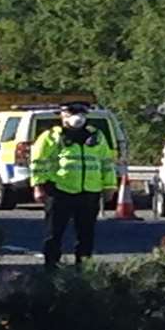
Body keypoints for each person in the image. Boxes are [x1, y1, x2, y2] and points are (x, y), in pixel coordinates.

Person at [30, 102, 119, 267]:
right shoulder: (51, 137)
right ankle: (51, 268)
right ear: (62, 115)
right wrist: (38, 186)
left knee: (86, 234)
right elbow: (38, 163)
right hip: (59, 190)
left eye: (82, 112)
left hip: (89, 191)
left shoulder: (96, 136)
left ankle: (84, 269)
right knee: (54, 233)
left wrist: (110, 186)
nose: (77, 116)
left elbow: (106, 162)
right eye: (71, 112)